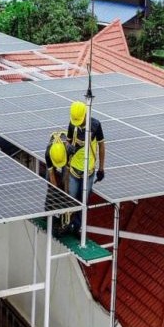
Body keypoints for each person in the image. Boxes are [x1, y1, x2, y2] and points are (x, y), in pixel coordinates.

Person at [65, 101, 105, 237]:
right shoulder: (72, 124)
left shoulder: (95, 125)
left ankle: (76, 226)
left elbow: (101, 146)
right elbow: (68, 140)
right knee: (71, 198)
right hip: (74, 169)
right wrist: (68, 146)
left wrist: (101, 168)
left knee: (83, 201)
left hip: (88, 171)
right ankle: (67, 223)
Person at [44, 131, 70, 236]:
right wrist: (55, 193)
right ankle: (48, 213)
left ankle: (64, 220)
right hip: (54, 154)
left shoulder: (68, 150)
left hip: (64, 155)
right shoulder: (48, 153)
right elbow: (51, 175)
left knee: (66, 185)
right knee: (50, 184)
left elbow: (66, 176)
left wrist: (66, 194)